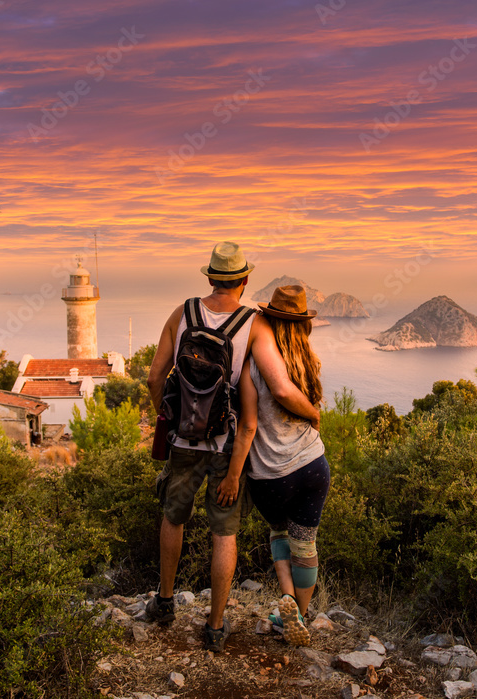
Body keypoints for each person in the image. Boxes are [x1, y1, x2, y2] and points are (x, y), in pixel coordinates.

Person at [145, 242, 321, 653]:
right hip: (227, 444)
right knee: (224, 534)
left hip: (184, 440)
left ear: (208, 277)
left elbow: (155, 378)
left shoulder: (183, 312)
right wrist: (313, 413)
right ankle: (216, 627)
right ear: (244, 280)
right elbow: (278, 386)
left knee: (174, 518)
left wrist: (168, 420)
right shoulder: (253, 324)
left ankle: (166, 602)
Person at [215, 285, 329, 647]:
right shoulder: (310, 361)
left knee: (279, 534)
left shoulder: (252, 367)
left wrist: (233, 476)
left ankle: (287, 606)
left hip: (270, 475)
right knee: (305, 542)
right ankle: (298, 614)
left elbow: (248, 427)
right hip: (313, 464)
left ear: (270, 321)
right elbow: (307, 406)